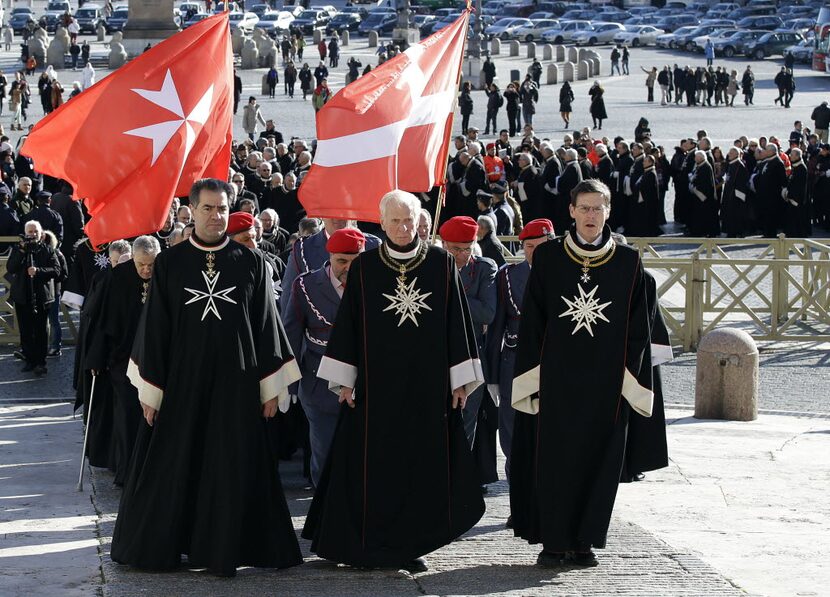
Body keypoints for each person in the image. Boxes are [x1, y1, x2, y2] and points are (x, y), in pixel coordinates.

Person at [111, 178, 303, 577]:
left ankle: (225, 548)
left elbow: (266, 324)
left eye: (222, 208)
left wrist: (271, 386)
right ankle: (169, 545)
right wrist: (151, 391)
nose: (216, 216)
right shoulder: (169, 262)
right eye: (208, 208)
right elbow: (155, 329)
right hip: (183, 384)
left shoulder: (250, 261)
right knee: (176, 462)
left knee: (231, 464)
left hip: (237, 384)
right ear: (192, 210)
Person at [302, 190, 485, 572]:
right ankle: (373, 543)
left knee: (419, 466)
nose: (403, 228)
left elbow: (457, 323)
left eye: (409, 220)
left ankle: (409, 545)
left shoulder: (439, 262)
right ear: (381, 223)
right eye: (395, 220)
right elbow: (349, 324)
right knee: (375, 466)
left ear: (420, 222)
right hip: (376, 389)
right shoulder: (366, 266)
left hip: (428, 389)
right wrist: (344, 380)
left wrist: (459, 381)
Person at [510, 178, 652, 569]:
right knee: (555, 463)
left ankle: (585, 541)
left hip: (606, 387)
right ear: (571, 211)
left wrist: (628, 381)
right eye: (584, 208)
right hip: (557, 383)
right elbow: (533, 324)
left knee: (598, 464)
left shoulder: (629, 263)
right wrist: (531, 382)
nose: (591, 216)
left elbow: (640, 328)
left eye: (598, 208)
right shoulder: (550, 258)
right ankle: (554, 542)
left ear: (609, 212)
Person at [283, 228, 365, 487]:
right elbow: (292, 333)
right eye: (342, 261)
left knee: (362, 455)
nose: (348, 268)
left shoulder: (374, 284)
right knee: (325, 453)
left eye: (355, 261)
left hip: (365, 384)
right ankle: (325, 515)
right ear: (329, 256)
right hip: (319, 383)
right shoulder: (306, 285)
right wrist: (290, 383)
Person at [86, 236, 160, 486]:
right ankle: (127, 471)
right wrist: (98, 356)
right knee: (127, 415)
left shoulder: (165, 275)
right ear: (134, 259)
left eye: (151, 265)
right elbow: (103, 320)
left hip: (157, 362)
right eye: (142, 265)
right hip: (123, 361)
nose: (146, 270)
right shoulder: (119, 278)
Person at [485, 219, 553, 488]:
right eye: (528, 246)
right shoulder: (508, 275)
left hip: (554, 363)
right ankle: (519, 500)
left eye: (540, 246)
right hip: (513, 362)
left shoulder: (566, 273)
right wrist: (492, 376)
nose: (534, 252)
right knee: (512, 434)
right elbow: (496, 327)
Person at [7, 220, 61, 376]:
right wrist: (22, 252)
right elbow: (11, 268)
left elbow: (56, 270)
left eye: (35, 232)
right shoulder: (19, 249)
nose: (32, 235)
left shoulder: (48, 250)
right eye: (29, 232)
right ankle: (29, 360)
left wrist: (38, 271)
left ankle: (40, 362)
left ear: (41, 234)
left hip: (42, 297)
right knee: (25, 331)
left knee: (41, 331)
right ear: (25, 234)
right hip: (23, 296)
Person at [783, 147, 809, 237]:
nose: (790, 156)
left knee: (798, 218)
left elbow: (799, 186)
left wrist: (791, 195)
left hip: (797, 199)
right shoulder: (796, 166)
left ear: (797, 156)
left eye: (792, 155)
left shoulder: (801, 168)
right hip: (792, 197)